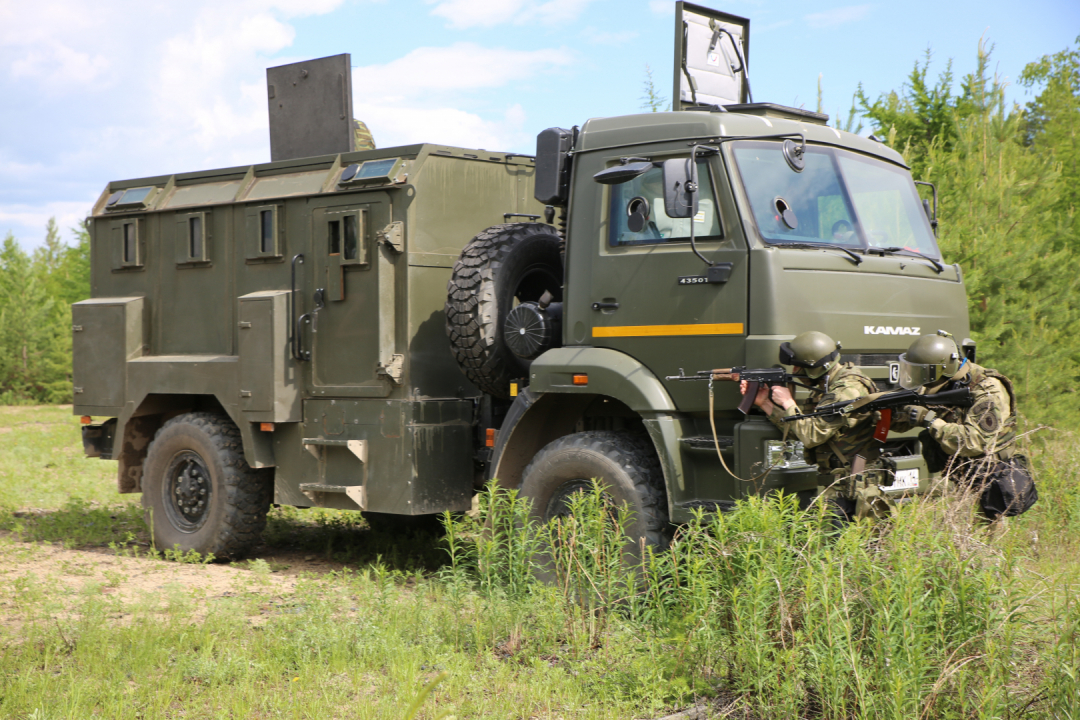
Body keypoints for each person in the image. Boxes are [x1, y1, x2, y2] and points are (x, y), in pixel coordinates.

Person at [740, 330, 885, 521]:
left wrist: (788, 403)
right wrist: (765, 404)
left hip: (854, 487)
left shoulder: (845, 390)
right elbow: (802, 430)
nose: (794, 373)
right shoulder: (828, 386)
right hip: (842, 484)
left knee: (845, 544)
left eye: (797, 368)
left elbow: (812, 435)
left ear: (812, 368)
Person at [890, 331, 1036, 519]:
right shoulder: (940, 384)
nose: (919, 380)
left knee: (983, 541)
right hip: (959, 479)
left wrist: (929, 420)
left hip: (989, 484)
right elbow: (907, 418)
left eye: (923, 372)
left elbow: (974, 441)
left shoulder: (987, 389)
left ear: (940, 370)